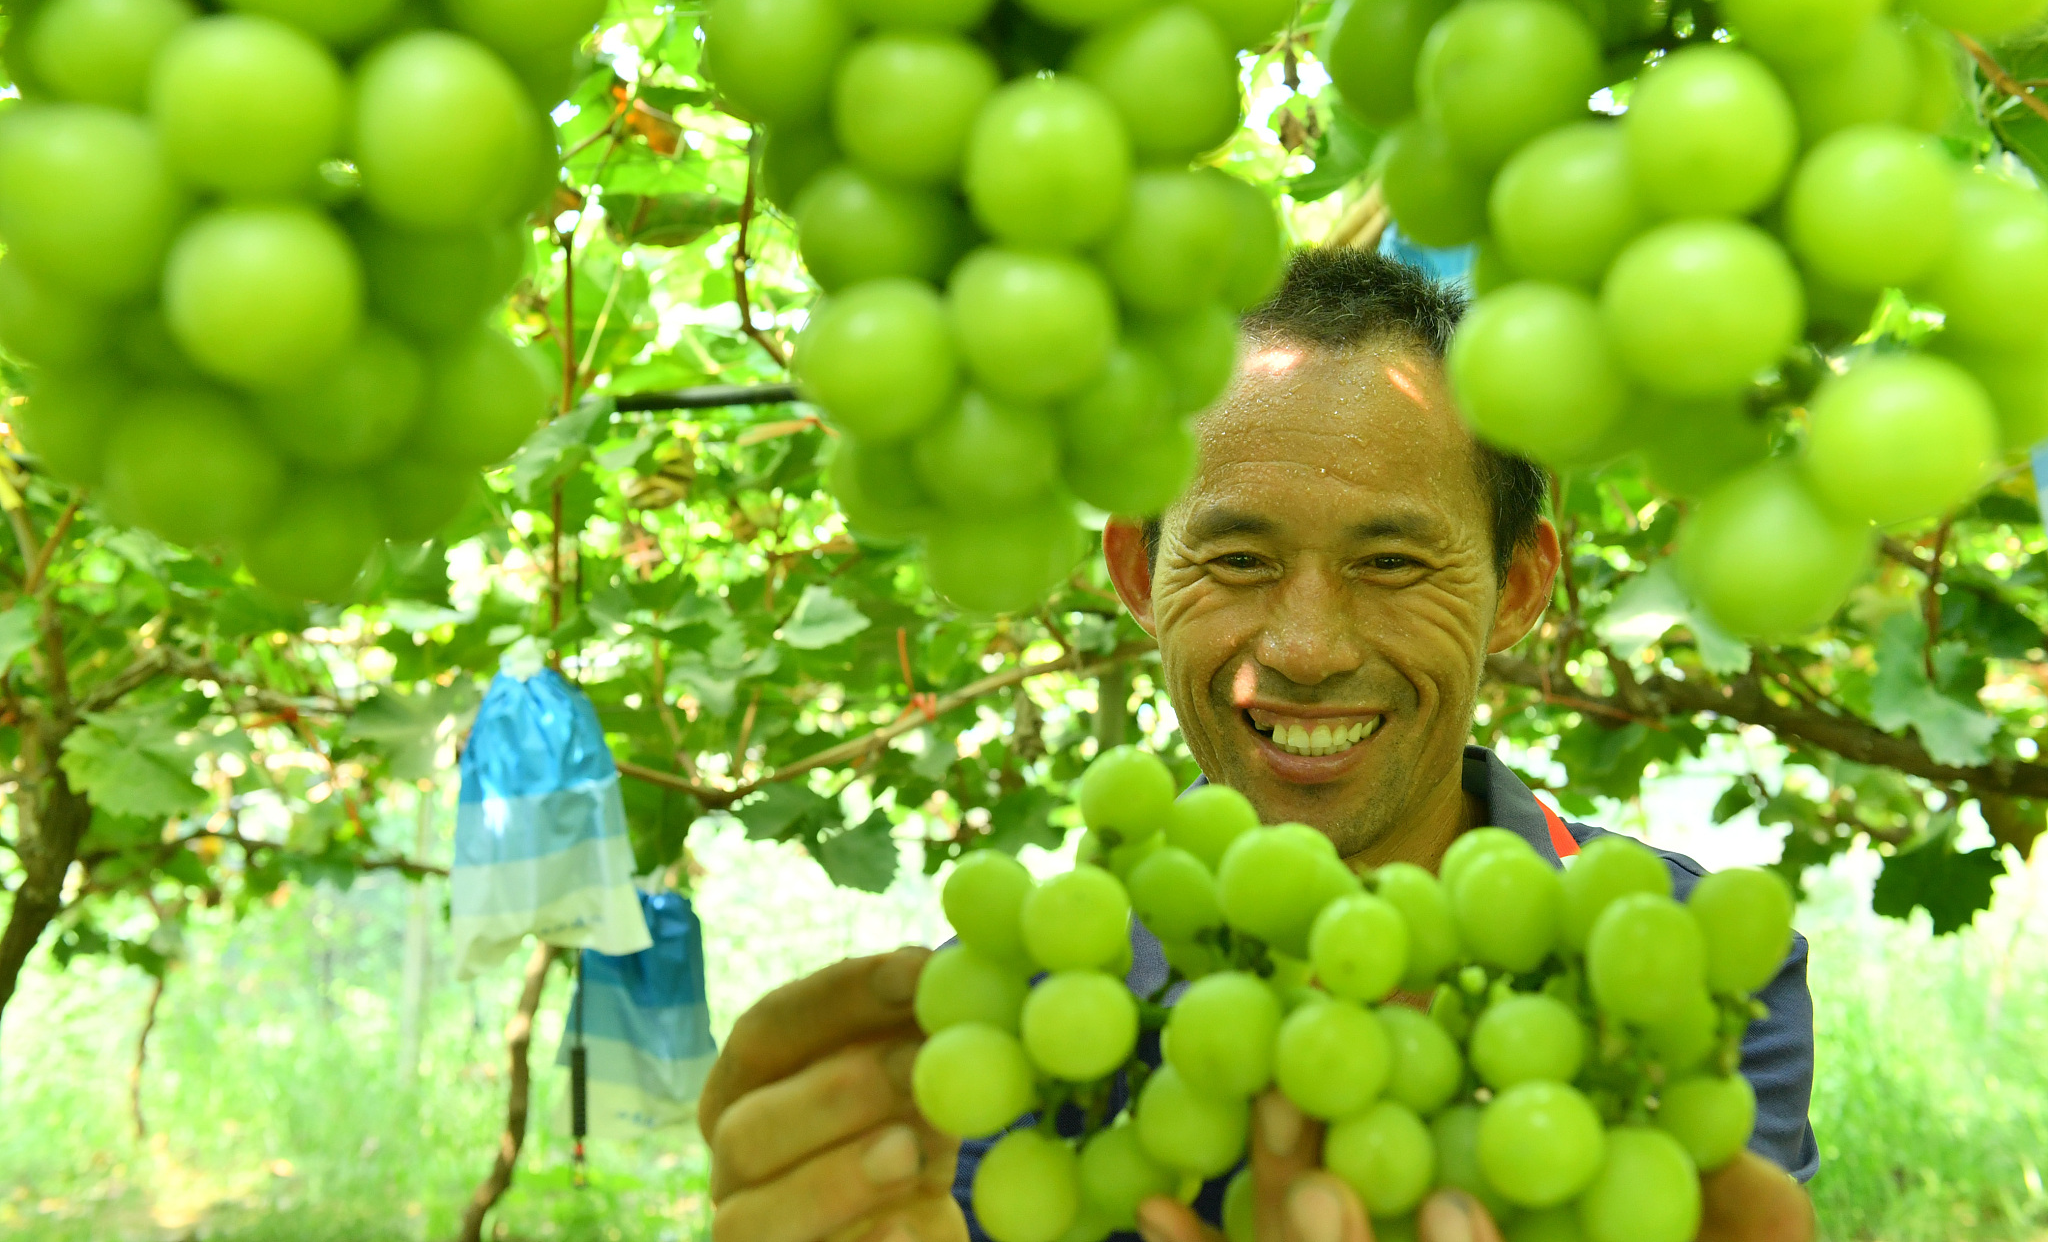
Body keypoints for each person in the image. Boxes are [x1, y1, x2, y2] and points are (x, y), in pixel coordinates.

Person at [696, 249, 1820, 1242]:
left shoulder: (1685, 968)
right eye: (1236, 561)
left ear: (1517, 586)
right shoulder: (1027, 1023)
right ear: (1138, 574)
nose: (1307, 648)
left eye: (1389, 564)